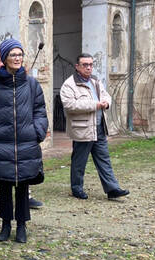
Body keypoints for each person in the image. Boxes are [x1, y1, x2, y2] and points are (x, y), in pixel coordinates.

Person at [0, 39, 48, 243]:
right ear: (4, 58)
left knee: (23, 186)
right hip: (1, 143)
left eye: (20, 54)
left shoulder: (31, 84)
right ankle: (5, 224)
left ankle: (22, 225)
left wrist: (37, 132)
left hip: (26, 142)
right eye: (13, 55)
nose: (17, 58)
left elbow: (40, 110)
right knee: (5, 185)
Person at [60, 53, 129, 200]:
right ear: (77, 66)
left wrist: (106, 103)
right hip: (82, 129)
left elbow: (106, 95)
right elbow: (70, 105)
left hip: (99, 127)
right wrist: (95, 104)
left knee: (104, 159)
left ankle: (112, 189)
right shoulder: (69, 84)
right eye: (85, 65)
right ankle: (77, 188)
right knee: (79, 161)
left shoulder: (95, 81)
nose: (89, 68)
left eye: (91, 64)